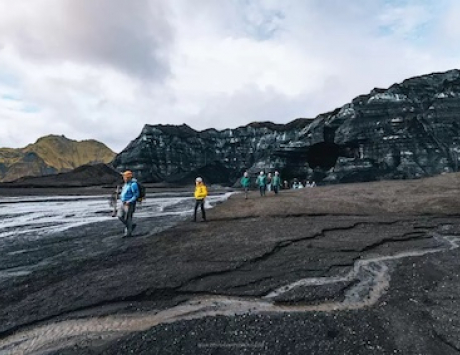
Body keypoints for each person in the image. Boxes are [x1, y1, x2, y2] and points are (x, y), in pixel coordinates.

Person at [117, 170, 139, 238]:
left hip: (129, 204)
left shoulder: (133, 185)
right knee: (120, 216)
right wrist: (119, 193)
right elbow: (124, 193)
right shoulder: (125, 184)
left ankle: (128, 233)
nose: (123, 178)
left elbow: (136, 195)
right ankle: (131, 226)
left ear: (128, 177)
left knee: (128, 218)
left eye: (124, 176)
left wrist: (129, 201)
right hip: (122, 203)